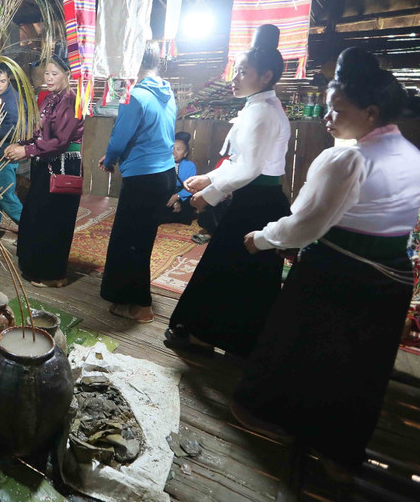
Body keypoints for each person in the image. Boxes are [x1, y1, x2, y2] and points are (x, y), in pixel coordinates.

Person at [231, 49, 420, 483]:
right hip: (391, 276)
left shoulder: (348, 160)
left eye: (337, 110)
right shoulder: (412, 155)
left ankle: (263, 413)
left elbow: (305, 224)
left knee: (295, 345)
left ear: (370, 112)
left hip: (337, 268)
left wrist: (262, 239)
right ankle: (338, 444)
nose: (328, 118)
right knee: (358, 368)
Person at [166, 24, 291, 356]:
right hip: (256, 199)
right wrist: (208, 178)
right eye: (235, 70)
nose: (234, 77)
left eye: (243, 71)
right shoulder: (257, 105)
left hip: (257, 203)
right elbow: (243, 161)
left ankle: (209, 336)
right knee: (239, 273)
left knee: (226, 268)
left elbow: (250, 169)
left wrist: (209, 193)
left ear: (265, 76)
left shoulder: (263, 112)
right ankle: (231, 338)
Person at [97, 42, 177, 322]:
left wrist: (109, 160)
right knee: (140, 238)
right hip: (165, 173)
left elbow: (120, 137)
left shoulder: (136, 96)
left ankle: (142, 306)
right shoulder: (167, 91)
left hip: (144, 178)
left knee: (131, 241)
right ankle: (127, 298)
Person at [5, 51, 83, 288]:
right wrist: (23, 144)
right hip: (45, 162)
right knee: (35, 214)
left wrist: (26, 152)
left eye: (54, 73)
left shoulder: (71, 100)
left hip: (63, 165)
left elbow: (60, 141)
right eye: (46, 73)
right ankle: (34, 267)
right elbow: (40, 133)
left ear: (66, 74)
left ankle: (53, 274)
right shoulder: (48, 98)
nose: (49, 78)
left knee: (54, 219)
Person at [0, 63, 24, 236]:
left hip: (5, 155)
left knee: (5, 196)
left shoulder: (12, 101)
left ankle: (30, 228)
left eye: (2, 81)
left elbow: (15, 130)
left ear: (8, 79)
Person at [158, 131, 198, 225]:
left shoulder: (190, 166)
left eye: (179, 149)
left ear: (185, 153)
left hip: (182, 196)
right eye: (172, 148)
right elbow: (159, 185)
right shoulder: (162, 164)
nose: (174, 152)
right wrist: (172, 199)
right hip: (166, 195)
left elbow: (190, 187)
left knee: (188, 208)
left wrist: (177, 197)